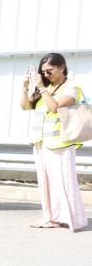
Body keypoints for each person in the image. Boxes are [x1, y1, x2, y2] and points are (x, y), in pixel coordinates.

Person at [20, 52, 87, 231]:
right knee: (46, 182)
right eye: (43, 71)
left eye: (49, 70)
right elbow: (25, 106)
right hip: (41, 142)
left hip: (61, 143)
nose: (46, 74)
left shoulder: (71, 87)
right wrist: (25, 87)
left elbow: (54, 107)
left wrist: (41, 88)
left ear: (62, 67)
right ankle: (51, 217)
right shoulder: (46, 88)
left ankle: (73, 218)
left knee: (64, 181)